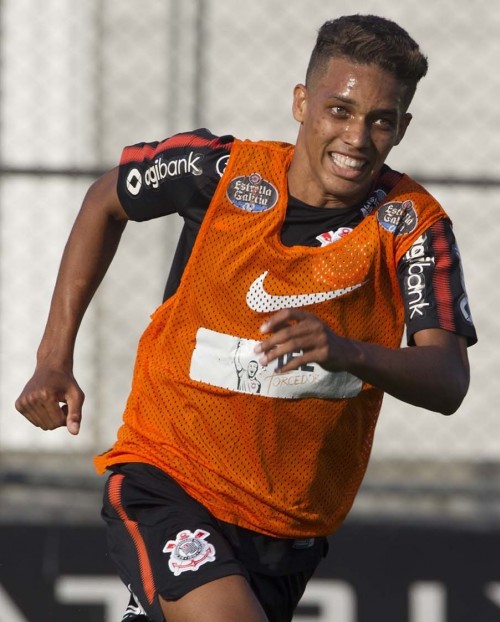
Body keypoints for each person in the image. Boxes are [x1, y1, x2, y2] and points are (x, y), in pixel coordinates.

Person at [16, 14, 476, 622]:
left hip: (287, 528)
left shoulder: (413, 225)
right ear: (302, 102)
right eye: (340, 111)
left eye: (381, 121)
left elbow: (448, 379)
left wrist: (346, 351)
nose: (357, 138)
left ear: (402, 128)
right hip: (169, 478)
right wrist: (53, 359)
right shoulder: (223, 171)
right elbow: (107, 199)